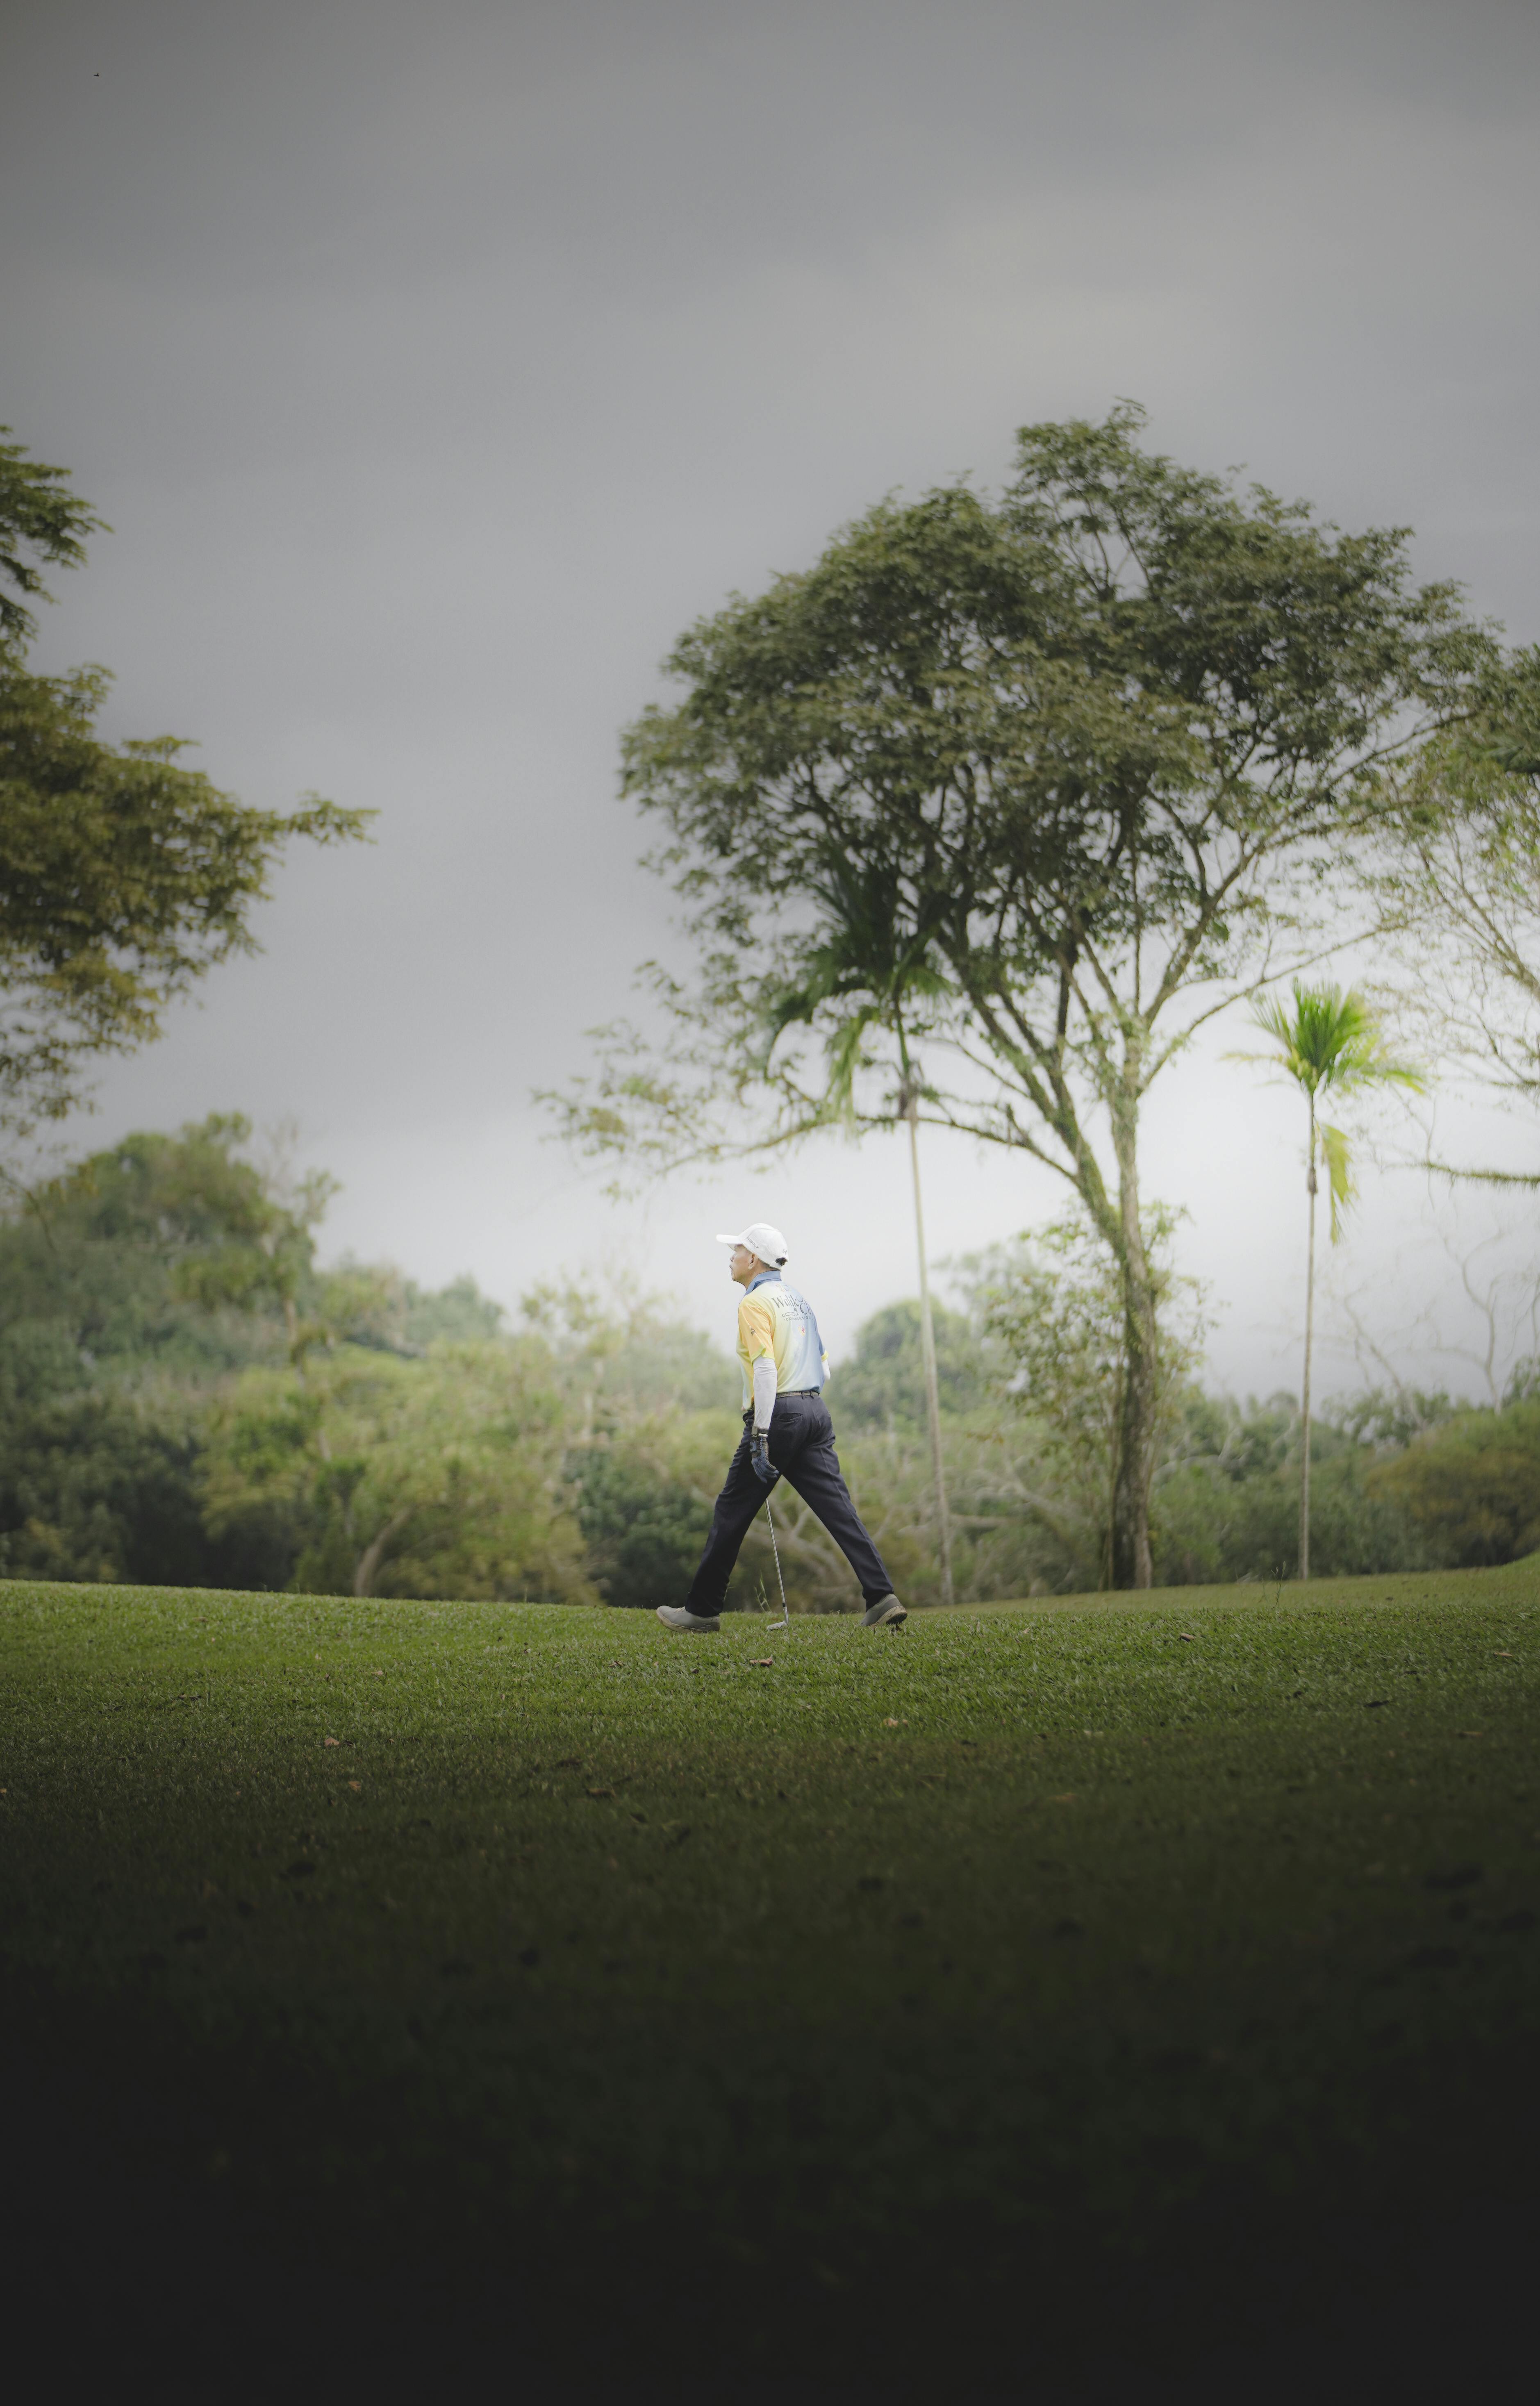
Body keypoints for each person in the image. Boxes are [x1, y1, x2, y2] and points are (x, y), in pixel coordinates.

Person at [656, 1221, 907, 1632]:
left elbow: (766, 1369)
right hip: (815, 1411)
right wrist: (802, 1410)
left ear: (753, 1259)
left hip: (780, 1415)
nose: (731, 1257)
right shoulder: (797, 1299)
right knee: (839, 1509)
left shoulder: (753, 1304)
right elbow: (823, 1366)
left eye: (736, 1250)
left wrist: (761, 1433)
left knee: (731, 1510)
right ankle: (882, 1596)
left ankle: (701, 1610)